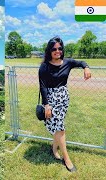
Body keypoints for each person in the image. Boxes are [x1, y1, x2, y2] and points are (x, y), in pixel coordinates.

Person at [38, 36, 91, 172]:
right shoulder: (44, 66)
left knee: (58, 125)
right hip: (51, 98)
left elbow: (81, 62)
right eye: (54, 49)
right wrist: (47, 105)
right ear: (49, 50)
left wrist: (86, 67)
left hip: (64, 98)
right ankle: (66, 158)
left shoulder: (67, 62)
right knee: (60, 127)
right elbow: (42, 86)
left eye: (60, 48)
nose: (57, 51)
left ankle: (54, 148)